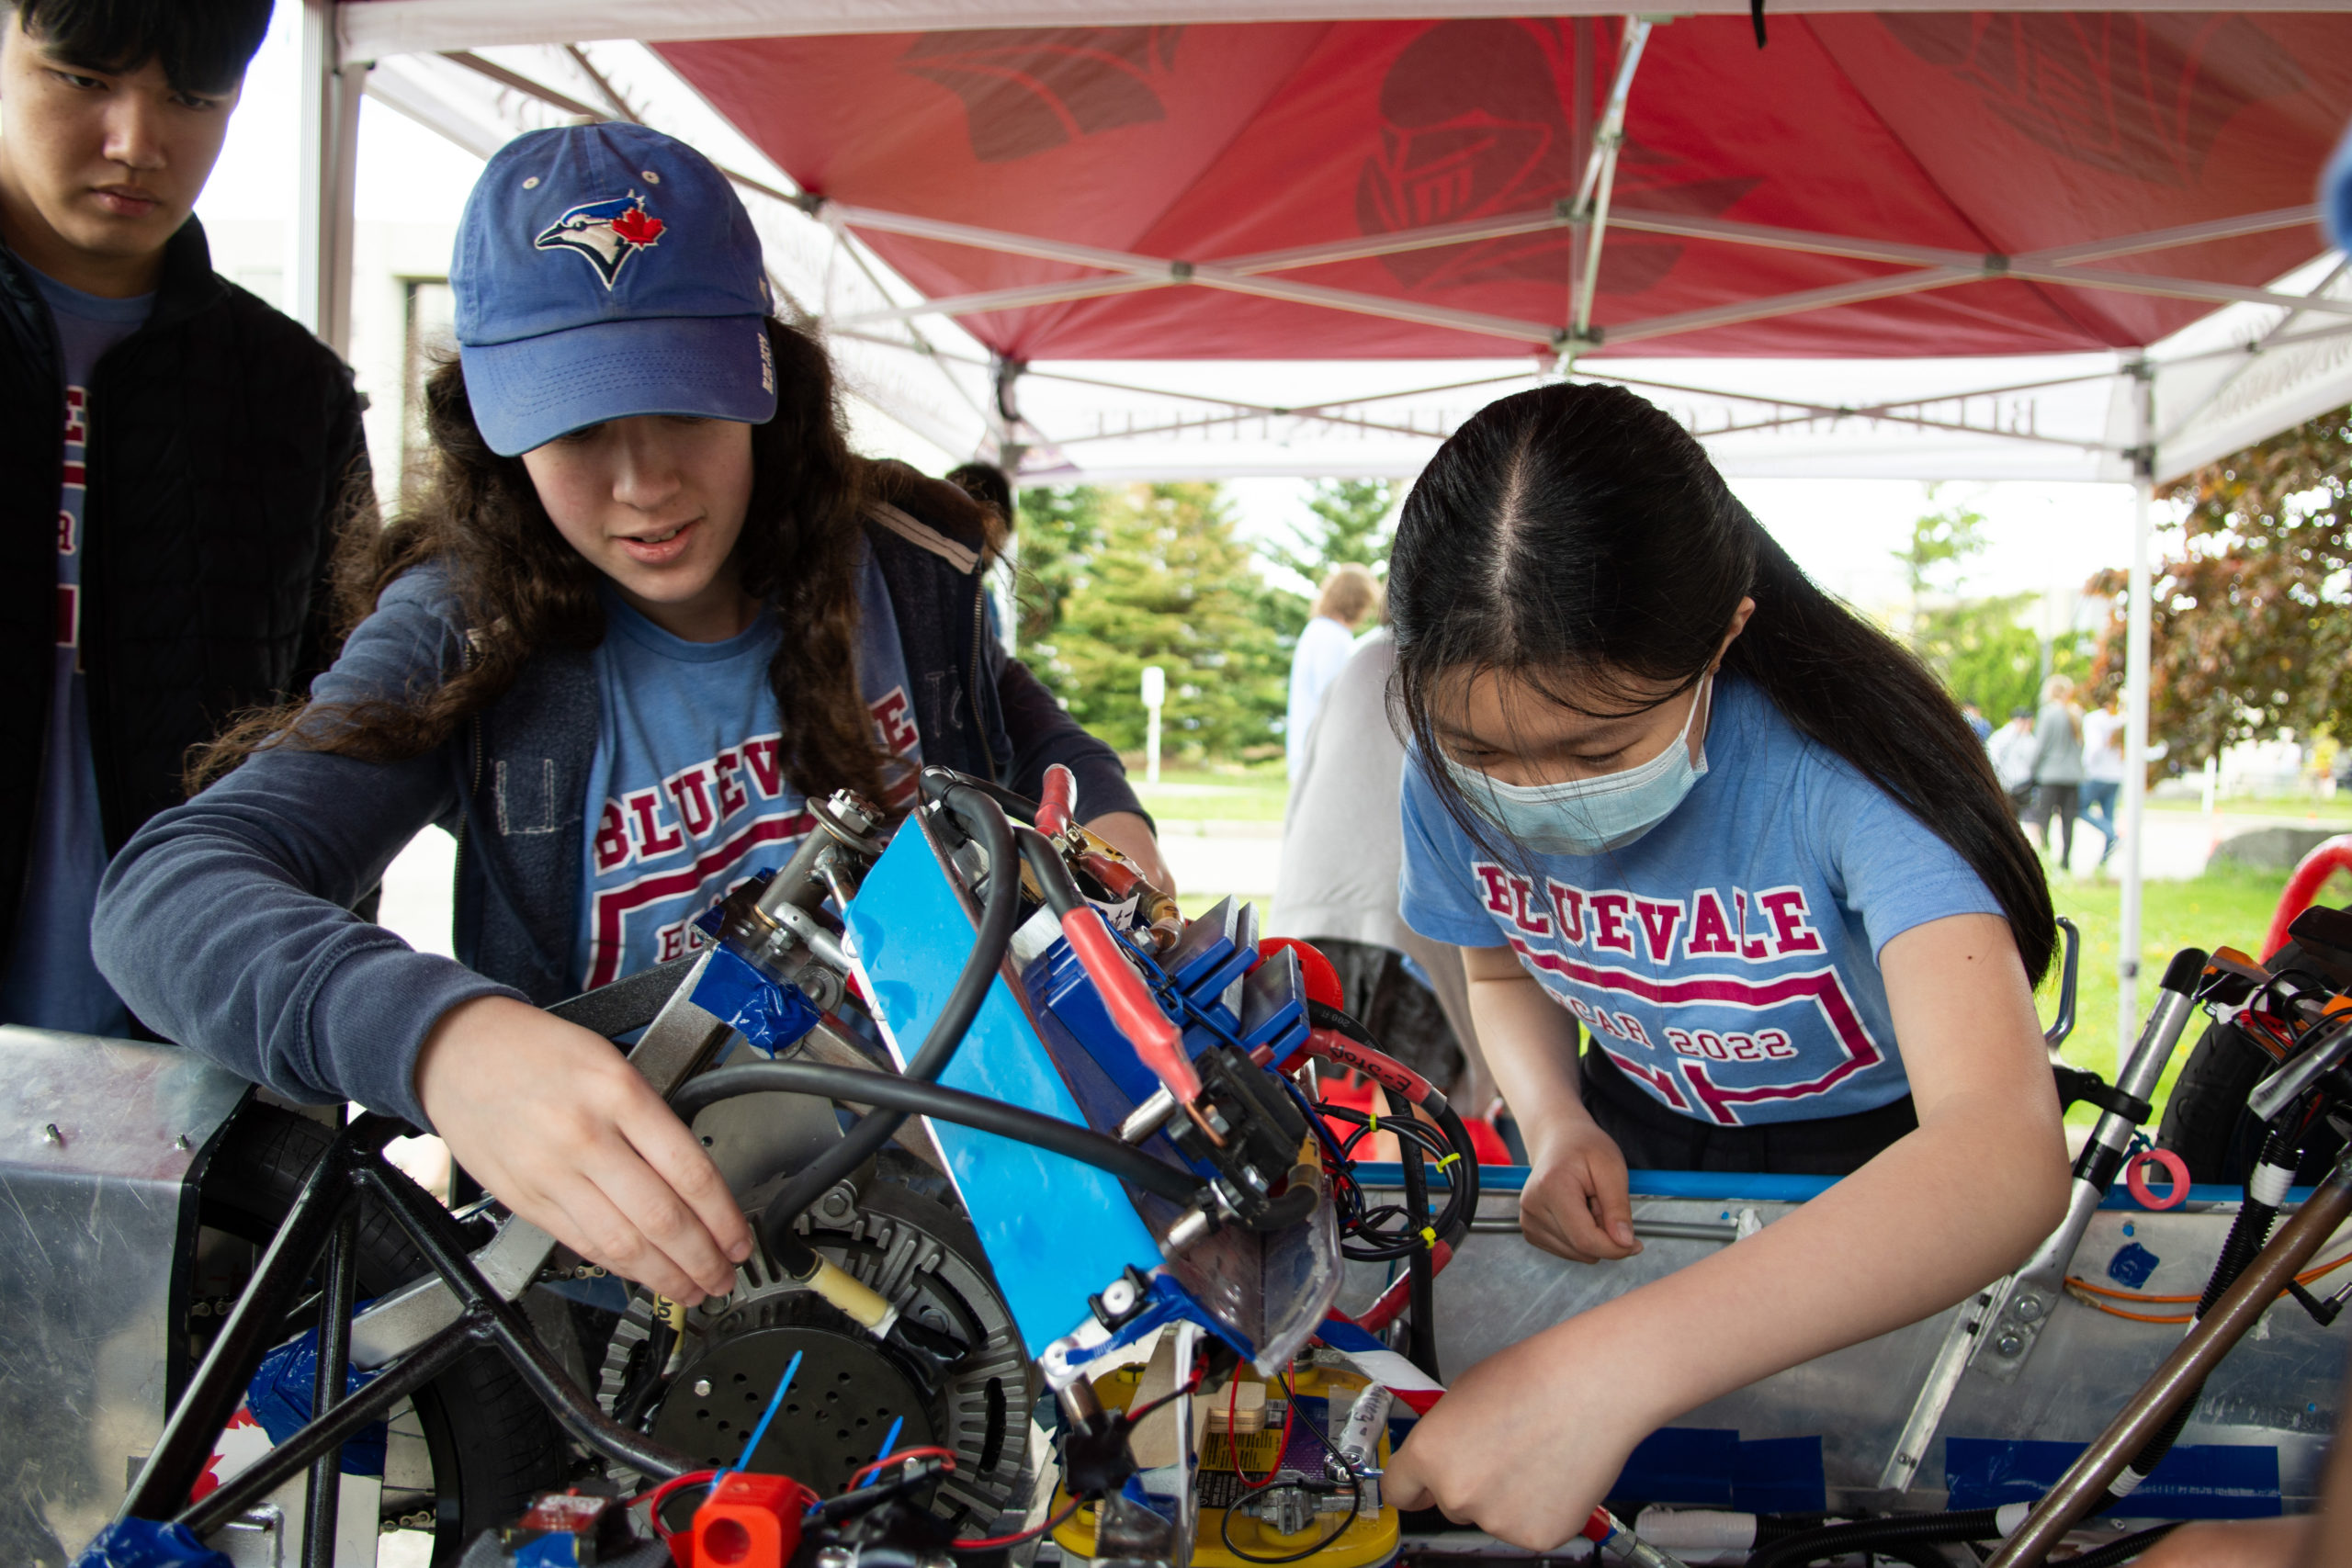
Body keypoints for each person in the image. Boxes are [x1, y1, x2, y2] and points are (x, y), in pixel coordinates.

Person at [95, 124, 1168, 1307]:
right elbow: (166, 896)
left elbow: (1042, 746)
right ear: (489, 432)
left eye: (689, 410)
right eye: (579, 426)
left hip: (976, 1257)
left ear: (769, 384)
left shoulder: (908, 574)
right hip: (632, 1314)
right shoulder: (467, 630)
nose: (644, 482)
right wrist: (443, 1041)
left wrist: (1110, 825)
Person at [1374, 383, 2067, 1549]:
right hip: (1635, 1131)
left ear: (1723, 635)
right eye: (1485, 749)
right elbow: (1499, 976)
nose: (1534, 795)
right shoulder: (1439, 789)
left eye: (1598, 746)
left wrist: (1598, 1371)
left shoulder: (1850, 779)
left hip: (1879, 1169)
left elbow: (1999, 1153)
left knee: (1839, 1484)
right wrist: (1554, 1123)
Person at [0, 0, 368, 1039]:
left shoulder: (292, 391)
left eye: (194, 97)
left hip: (190, 1076)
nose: (137, 141)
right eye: (81, 78)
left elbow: (349, 742)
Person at [1270, 623, 1490, 1114]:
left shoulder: (1359, 660)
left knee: (1300, 1102)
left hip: (1315, 906)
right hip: (1413, 919)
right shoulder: (1465, 660)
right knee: (1411, 1111)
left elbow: (1302, 787)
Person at [1284, 562, 1377, 771]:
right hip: (1319, 755)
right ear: (1358, 602)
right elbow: (1335, 700)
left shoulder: (1318, 629)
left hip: (1307, 751)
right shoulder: (1333, 637)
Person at [2030, 673, 2086, 874]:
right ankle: (2066, 862)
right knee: (2069, 820)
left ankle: (2045, 857)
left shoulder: (2048, 713)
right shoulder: (2077, 713)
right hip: (2072, 776)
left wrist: (2032, 770)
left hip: (2050, 775)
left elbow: (2040, 746)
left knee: (2044, 816)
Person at [2079, 688, 2124, 868]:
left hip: (2097, 774)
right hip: (2116, 776)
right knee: (2109, 814)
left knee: (2078, 807)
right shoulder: (2121, 720)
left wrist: (2085, 766)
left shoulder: (2094, 720)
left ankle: (2112, 834)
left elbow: (2094, 747)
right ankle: (2105, 859)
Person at [1987, 705, 2040, 826]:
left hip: (2023, 785)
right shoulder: (2004, 736)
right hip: (2007, 785)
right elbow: (1993, 757)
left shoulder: (2028, 738)